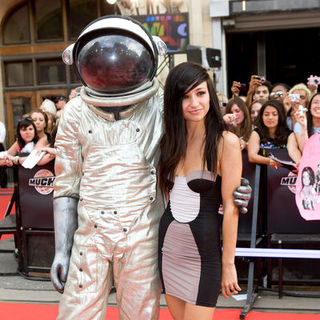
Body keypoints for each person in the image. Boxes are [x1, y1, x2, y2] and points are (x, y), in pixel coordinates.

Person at [50, 16, 251, 320]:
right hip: (92, 229)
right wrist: (62, 248)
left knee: (141, 315)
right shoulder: (75, 112)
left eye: (123, 62)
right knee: (76, 313)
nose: (113, 70)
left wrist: (236, 189)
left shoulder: (159, 104)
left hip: (144, 229)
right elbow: (65, 184)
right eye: (102, 63)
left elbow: (208, 145)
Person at [158, 62, 241, 320]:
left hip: (204, 256)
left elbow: (231, 207)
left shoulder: (225, 142)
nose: (194, 102)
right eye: (185, 96)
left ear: (210, 95)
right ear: (175, 101)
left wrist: (228, 264)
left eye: (200, 93)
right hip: (169, 249)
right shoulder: (169, 141)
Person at [247, 100, 301, 168]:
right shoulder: (256, 133)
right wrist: (269, 161)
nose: (270, 118)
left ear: (280, 116)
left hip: (283, 173)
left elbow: (293, 151)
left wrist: (299, 164)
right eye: (266, 114)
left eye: (274, 114)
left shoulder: (289, 134)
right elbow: (252, 156)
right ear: (262, 117)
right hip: (263, 173)